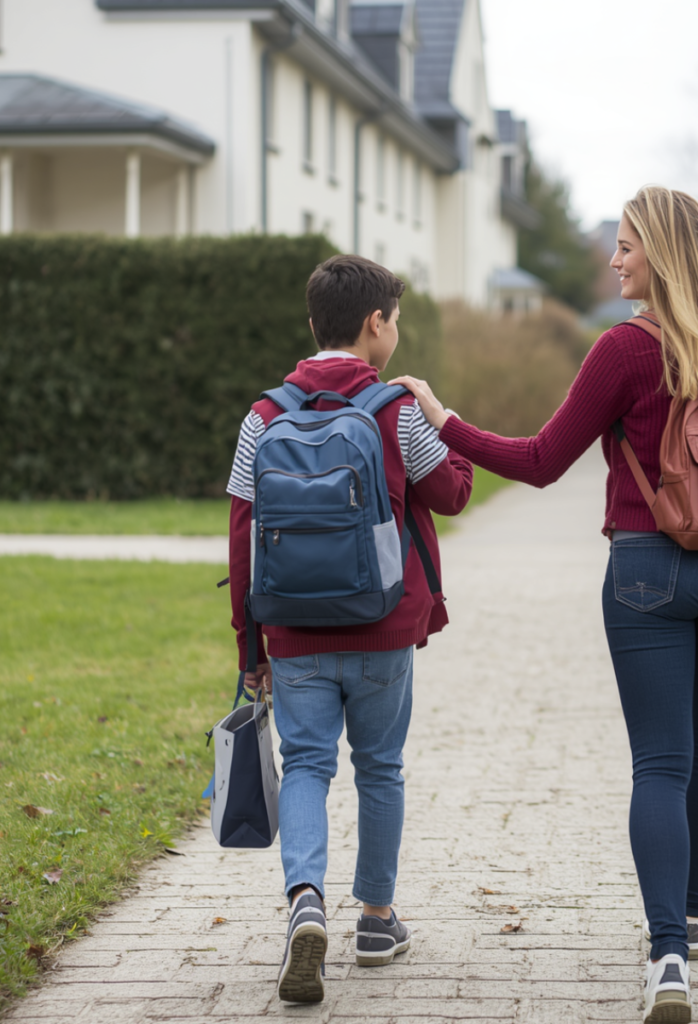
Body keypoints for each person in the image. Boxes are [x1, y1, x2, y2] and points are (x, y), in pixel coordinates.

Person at [391, 187, 698, 1024]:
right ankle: (688, 918)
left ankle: (665, 959)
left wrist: (447, 423)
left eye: (625, 245)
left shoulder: (624, 351)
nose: (613, 259)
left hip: (650, 566)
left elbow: (544, 461)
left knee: (661, 762)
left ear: (662, 252)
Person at [226, 254, 473, 1004]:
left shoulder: (263, 416)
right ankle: (375, 919)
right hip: (382, 629)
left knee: (305, 766)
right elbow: (455, 493)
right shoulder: (395, 410)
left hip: (294, 634)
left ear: (312, 325)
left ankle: (306, 900)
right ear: (375, 324)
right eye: (395, 320)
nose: (396, 332)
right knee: (381, 767)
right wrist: (438, 417)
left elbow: (242, 537)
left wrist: (251, 647)